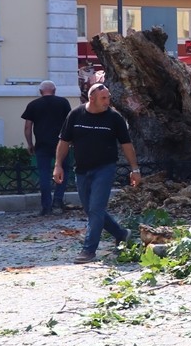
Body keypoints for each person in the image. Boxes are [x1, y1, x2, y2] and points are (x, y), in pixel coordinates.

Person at [53, 82, 141, 263]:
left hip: (105, 168)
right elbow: (64, 142)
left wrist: (135, 169)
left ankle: (89, 250)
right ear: (91, 98)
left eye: (108, 98)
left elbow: (127, 145)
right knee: (91, 210)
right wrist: (58, 165)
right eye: (104, 98)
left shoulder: (114, 118)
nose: (107, 101)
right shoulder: (75, 114)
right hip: (82, 169)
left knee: (96, 209)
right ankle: (121, 233)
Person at [21, 80, 72, 215]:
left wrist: (30, 144)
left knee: (44, 174)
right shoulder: (63, 103)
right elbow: (69, 122)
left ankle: (46, 206)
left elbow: (27, 127)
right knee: (64, 171)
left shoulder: (33, 105)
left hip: (42, 144)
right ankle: (58, 201)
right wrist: (70, 140)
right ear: (54, 91)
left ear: (40, 92)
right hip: (61, 143)